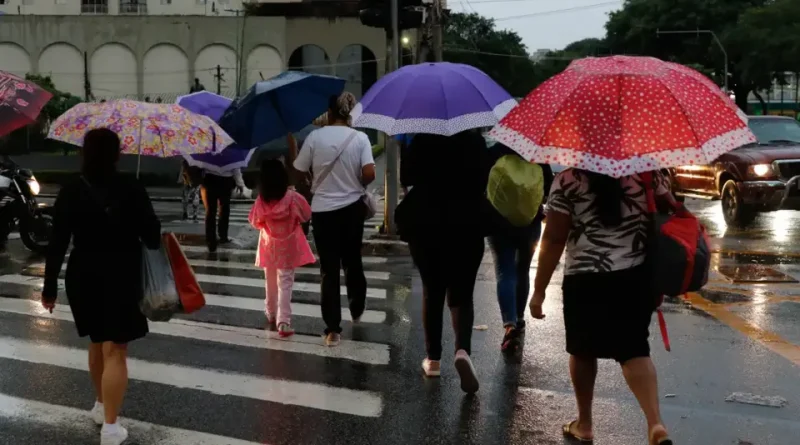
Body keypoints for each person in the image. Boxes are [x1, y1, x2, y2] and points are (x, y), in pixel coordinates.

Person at [530, 169, 673, 445]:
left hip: (585, 278)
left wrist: (539, 290)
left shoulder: (568, 181)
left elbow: (554, 238)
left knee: (582, 351)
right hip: (634, 277)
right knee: (634, 350)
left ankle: (584, 423)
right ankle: (655, 423)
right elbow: (668, 213)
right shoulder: (648, 174)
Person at [41, 128, 161, 445]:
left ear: (84, 153)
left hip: (83, 275)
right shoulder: (131, 187)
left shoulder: (71, 189)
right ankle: (110, 427)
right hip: (121, 274)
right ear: (117, 155)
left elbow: (57, 242)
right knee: (116, 349)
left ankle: (100, 404)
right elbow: (152, 237)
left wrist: (49, 287)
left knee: (97, 341)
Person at [395, 130, 498, 394]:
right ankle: (462, 351)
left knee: (432, 291)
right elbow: (484, 178)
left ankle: (433, 360)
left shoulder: (423, 139)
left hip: (426, 223)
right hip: (468, 223)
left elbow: (406, 177)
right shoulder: (475, 141)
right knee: (462, 294)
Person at [293, 92, 376, 347]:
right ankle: (357, 307)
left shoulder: (315, 137)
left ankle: (332, 330)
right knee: (353, 260)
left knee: (329, 270)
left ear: (329, 112)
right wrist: (356, 182)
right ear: (349, 114)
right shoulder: (360, 138)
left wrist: (311, 180)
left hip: (323, 212)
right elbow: (369, 173)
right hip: (352, 210)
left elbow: (298, 170)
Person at [486, 142, 553, 352]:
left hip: (498, 222)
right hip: (530, 223)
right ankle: (520, 318)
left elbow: (483, 183)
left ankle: (509, 324)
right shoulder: (537, 152)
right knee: (522, 270)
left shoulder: (495, 151)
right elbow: (548, 188)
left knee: (505, 271)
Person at [248, 159, 315, 337]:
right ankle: (283, 321)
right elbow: (306, 214)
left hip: (268, 245)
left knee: (270, 280)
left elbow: (254, 221)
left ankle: (271, 313)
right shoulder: (293, 198)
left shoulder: (261, 201)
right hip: (288, 245)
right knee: (285, 282)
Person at [201, 167, 245, 252]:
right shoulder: (229, 157)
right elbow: (235, 168)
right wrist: (240, 183)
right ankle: (223, 236)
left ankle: (210, 239)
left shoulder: (208, 157)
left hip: (209, 179)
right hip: (226, 181)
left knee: (210, 211)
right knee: (224, 210)